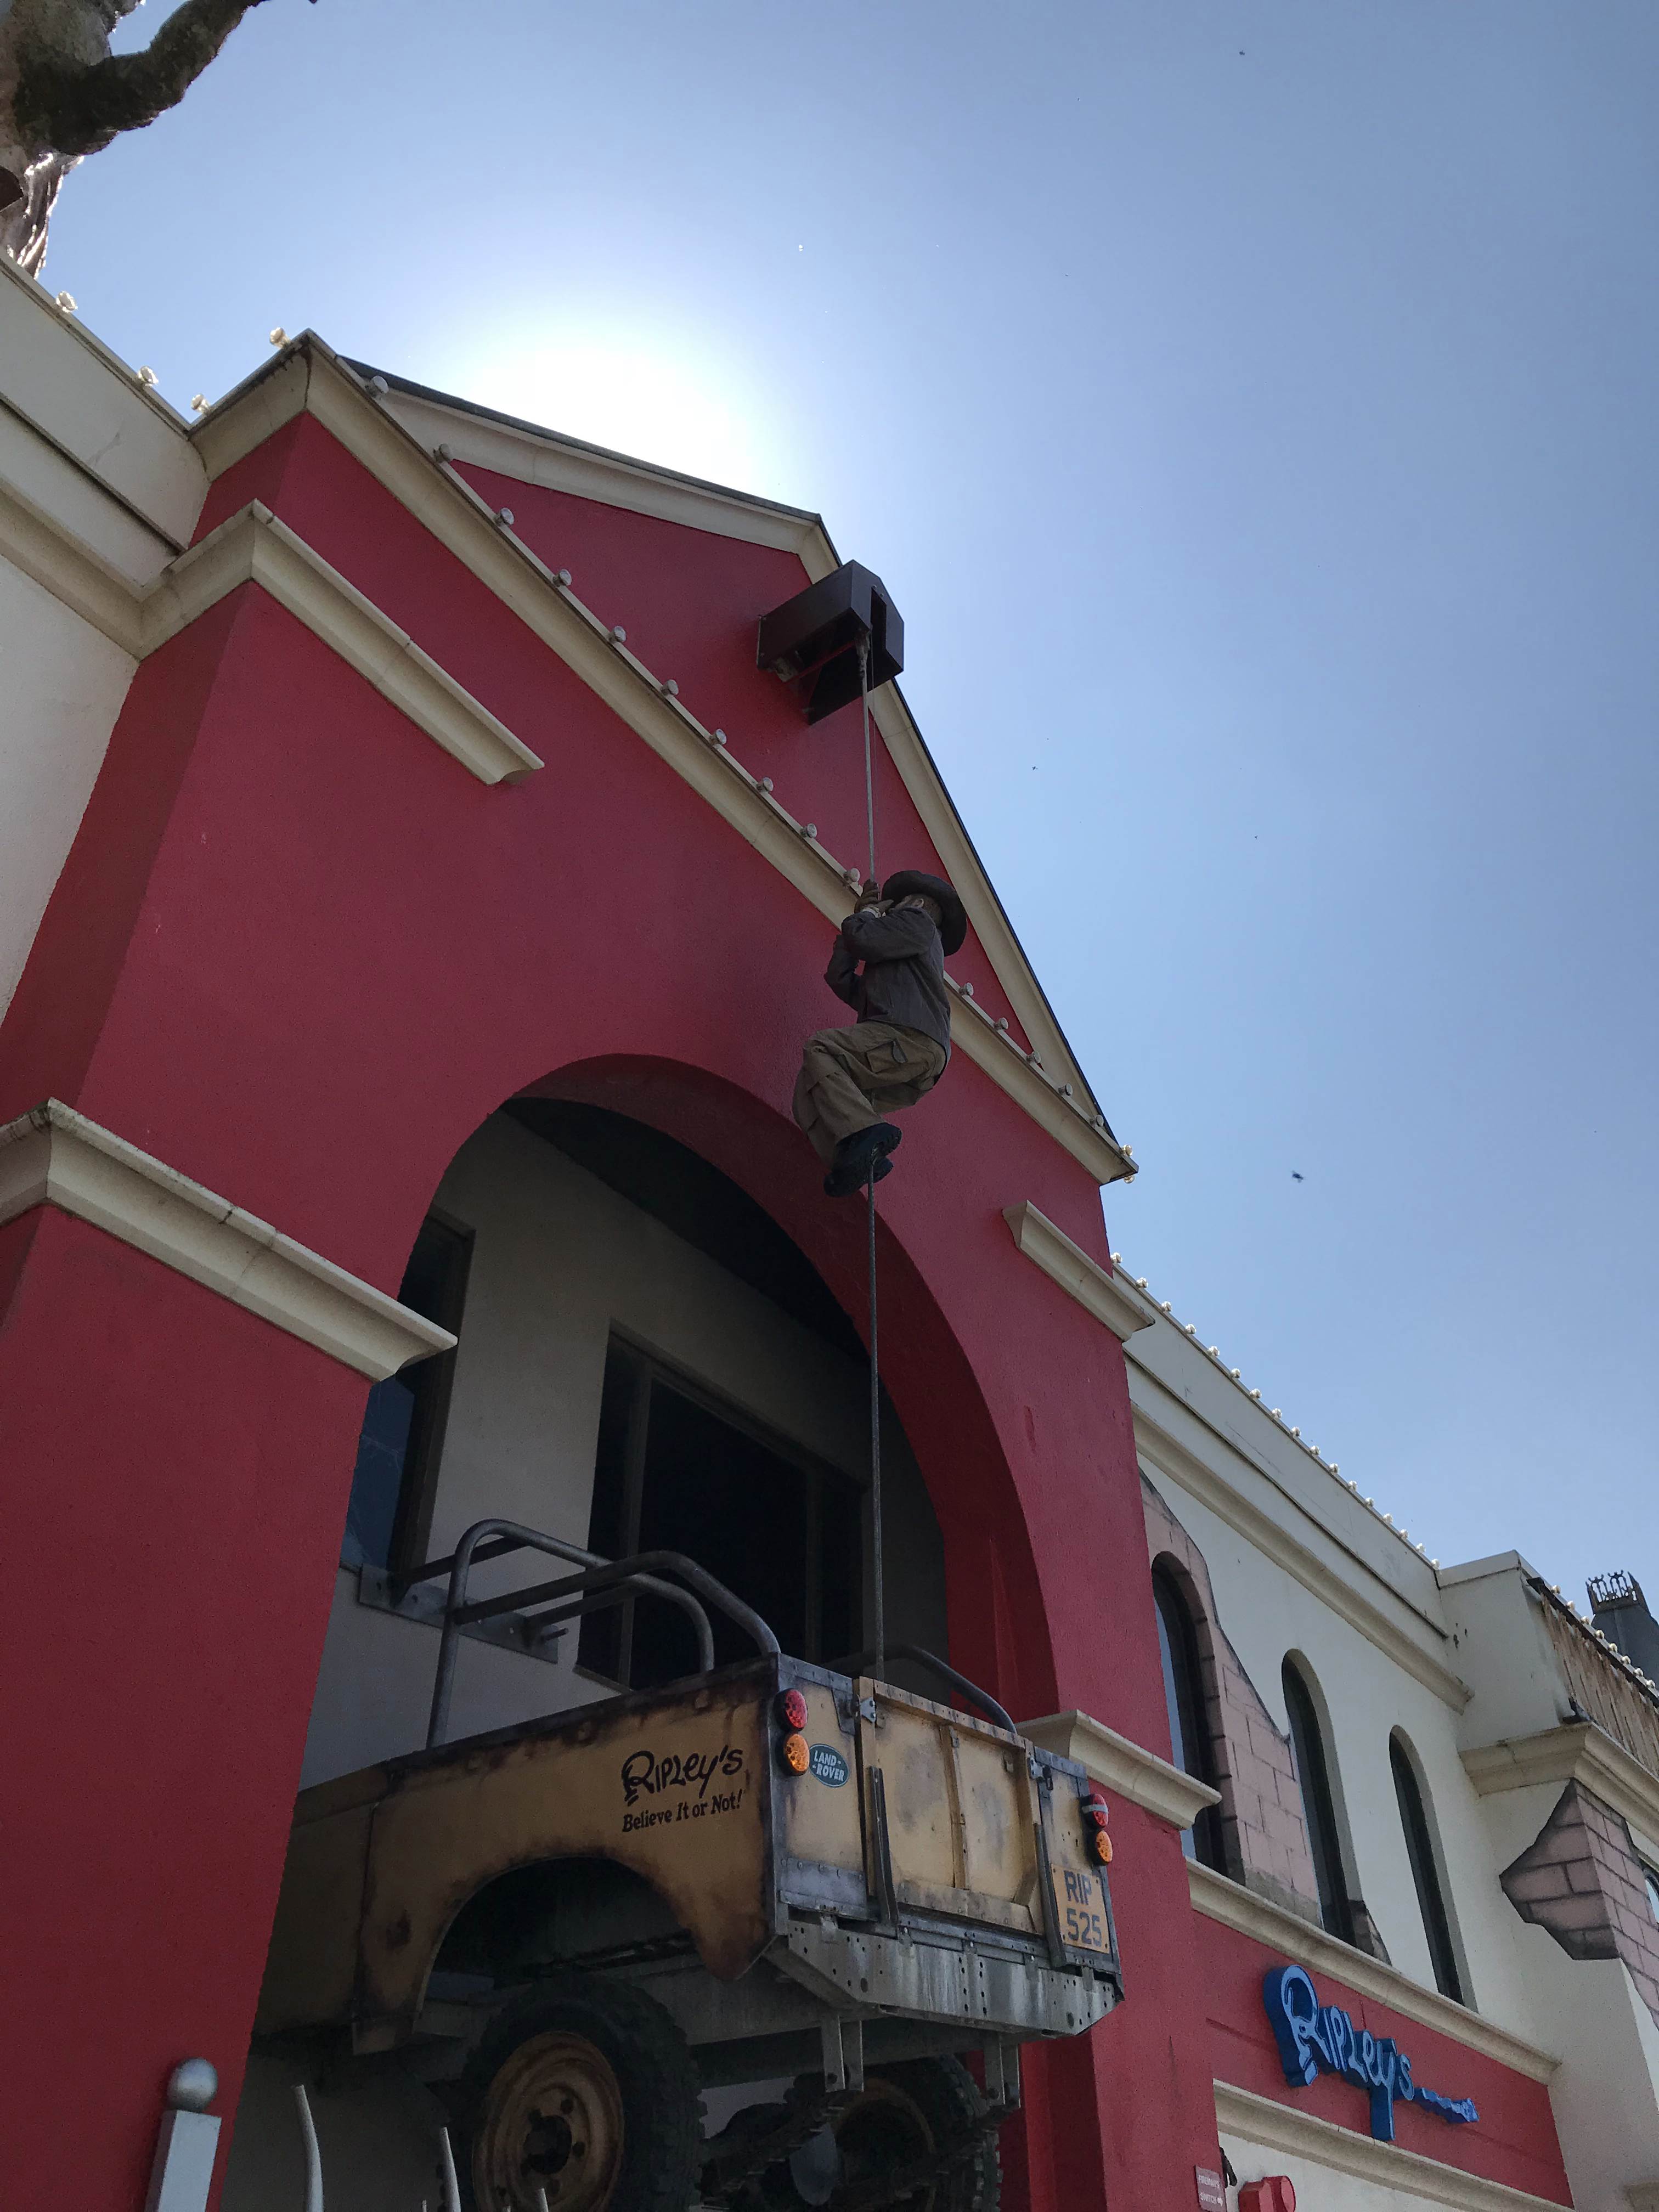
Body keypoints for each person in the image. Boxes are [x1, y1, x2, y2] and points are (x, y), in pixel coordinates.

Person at [793, 868, 968, 1197]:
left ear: (917, 903)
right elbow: (841, 979)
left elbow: (864, 939)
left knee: (822, 1048)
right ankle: (854, 1159)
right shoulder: (893, 972)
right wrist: (858, 926)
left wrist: (868, 915)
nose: (890, 913)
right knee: (809, 1088)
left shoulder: (919, 922)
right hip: (910, 1057)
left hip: (909, 1039)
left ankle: (867, 1131)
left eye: (895, 907)